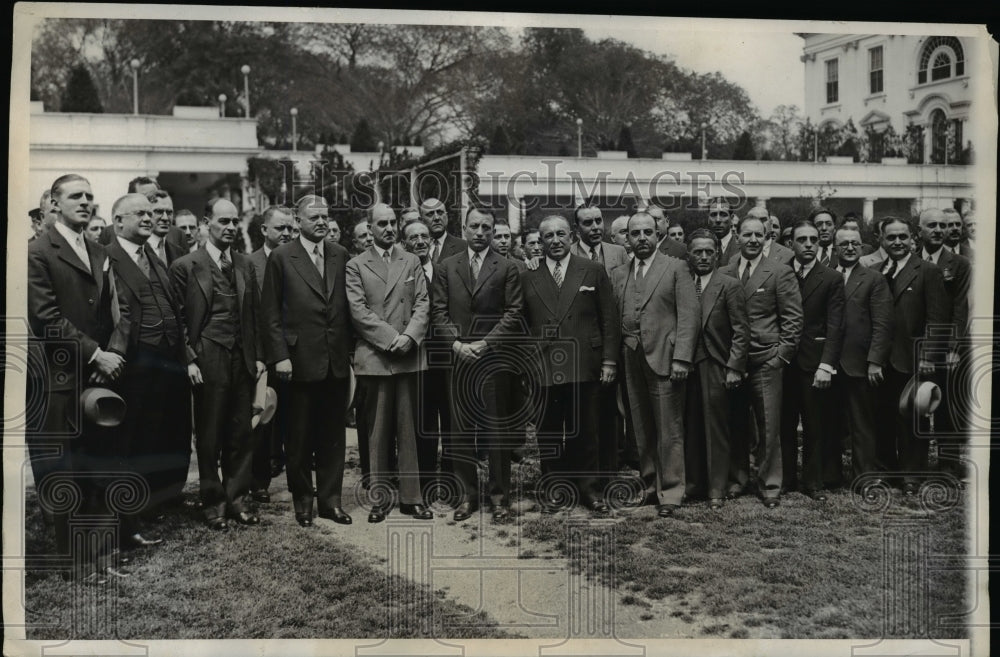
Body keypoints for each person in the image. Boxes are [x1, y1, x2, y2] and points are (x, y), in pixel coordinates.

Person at [28, 174, 130, 583]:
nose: (85, 202)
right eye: (76, 196)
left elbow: (116, 309)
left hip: (99, 377)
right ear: (55, 203)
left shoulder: (99, 249)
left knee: (99, 467)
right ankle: (74, 563)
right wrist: (95, 353)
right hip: (59, 380)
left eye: (90, 195)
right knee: (65, 472)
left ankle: (101, 556)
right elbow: (46, 319)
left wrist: (113, 354)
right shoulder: (38, 252)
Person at [169, 198, 265, 530]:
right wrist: (190, 360)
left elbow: (254, 315)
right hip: (207, 357)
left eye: (234, 221)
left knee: (241, 431)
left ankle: (238, 498)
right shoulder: (185, 266)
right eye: (223, 221)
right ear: (206, 223)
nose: (231, 227)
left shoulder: (244, 264)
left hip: (242, 358)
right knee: (209, 433)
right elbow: (178, 320)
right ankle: (213, 502)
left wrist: (259, 358)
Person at [261, 196, 354, 528]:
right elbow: (270, 313)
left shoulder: (341, 255)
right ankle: (303, 502)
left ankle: (331, 502)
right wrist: (280, 357)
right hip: (297, 362)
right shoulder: (282, 258)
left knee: (332, 436)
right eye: (314, 217)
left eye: (325, 216)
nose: (322, 222)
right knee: (298, 437)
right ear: (297, 221)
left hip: (335, 360)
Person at [106, 193, 193, 536]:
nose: (148, 217)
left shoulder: (155, 258)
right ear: (118, 222)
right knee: (133, 439)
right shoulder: (107, 258)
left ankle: (154, 503)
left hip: (167, 361)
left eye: (151, 212)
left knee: (161, 434)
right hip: (134, 363)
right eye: (139, 213)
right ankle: (129, 517)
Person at [520, 215, 620, 515]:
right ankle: (554, 488)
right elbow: (520, 323)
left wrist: (609, 360)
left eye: (561, 234)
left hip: (585, 363)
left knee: (586, 430)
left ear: (571, 235)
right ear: (541, 241)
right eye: (547, 236)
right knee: (549, 431)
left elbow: (609, 319)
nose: (555, 240)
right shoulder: (528, 275)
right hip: (545, 365)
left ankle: (589, 489)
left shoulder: (592, 270)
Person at [432, 207, 525, 522]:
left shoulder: (507, 266)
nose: (481, 232)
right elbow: (438, 312)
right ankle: (467, 497)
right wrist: (457, 345)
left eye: (487, 226)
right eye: (475, 226)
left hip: (492, 358)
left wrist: (484, 344)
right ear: (464, 227)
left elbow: (513, 313)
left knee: (496, 431)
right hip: (458, 359)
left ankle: (499, 498)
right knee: (460, 431)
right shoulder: (446, 267)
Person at [346, 203, 433, 523]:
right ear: (370, 228)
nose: (388, 228)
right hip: (376, 358)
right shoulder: (356, 265)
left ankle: (412, 498)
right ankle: (380, 499)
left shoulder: (411, 260)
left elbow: (424, 303)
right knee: (378, 432)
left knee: (409, 431)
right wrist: (390, 339)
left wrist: (409, 337)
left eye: (393, 222)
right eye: (381, 223)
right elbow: (357, 311)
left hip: (409, 356)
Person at [610, 212, 698, 517]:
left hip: (665, 357)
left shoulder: (676, 268)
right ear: (628, 238)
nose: (642, 238)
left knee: (668, 428)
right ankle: (649, 485)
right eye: (636, 233)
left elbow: (689, 315)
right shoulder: (620, 273)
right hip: (631, 356)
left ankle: (671, 492)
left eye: (648, 232)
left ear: (658, 234)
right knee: (641, 427)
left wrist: (682, 358)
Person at [719, 214, 802, 507]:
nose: (753, 240)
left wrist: (780, 356)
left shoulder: (779, 271)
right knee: (736, 423)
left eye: (759, 235)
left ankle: (769, 484)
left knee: (768, 425)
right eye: (747, 234)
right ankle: (738, 479)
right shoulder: (725, 271)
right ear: (737, 236)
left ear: (767, 238)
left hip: (765, 359)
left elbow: (793, 319)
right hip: (732, 362)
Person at [872, 217, 947, 495]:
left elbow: (938, 318)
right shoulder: (877, 271)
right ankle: (885, 471)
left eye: (903, 236)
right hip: (881, 360)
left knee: (913, 419)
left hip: (914, 359)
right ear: (881, 241)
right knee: (882, 416)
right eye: (891, 237)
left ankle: (911, 476)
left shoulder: (927, 271)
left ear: (912, 238)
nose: (898, 242)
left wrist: (928, 356)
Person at [779, 220, 846, 500]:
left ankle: (813, 481)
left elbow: (835, 325)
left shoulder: (831, 278)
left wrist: (826, 365)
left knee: (814, 423)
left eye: (813, 240)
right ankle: (785, 479)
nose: (808, 244)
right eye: (802, 239)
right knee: (783, 423)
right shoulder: (780, 274)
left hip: (814, 363)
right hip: (783, 361)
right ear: (790, 243)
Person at [684, 228, 749, 510]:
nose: (703, 256)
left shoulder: (729, 284)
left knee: (716, 429)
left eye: (709, 251)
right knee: (690, 426)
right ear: (688, 254)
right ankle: (693, 484)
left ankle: (717, 488)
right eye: (697, 251)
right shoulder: (683, 281)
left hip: (716, 364)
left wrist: (735, 366)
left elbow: (741, 330)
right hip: (685, 364)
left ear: (717, 254)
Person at [570, 204, 629, 486]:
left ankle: (612, 465)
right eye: (587, 223)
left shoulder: (618, 252)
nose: (595, 227)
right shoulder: (567, 253)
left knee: (614, 408)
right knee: (586, 409)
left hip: (615, 335)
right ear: (576, 228)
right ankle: (583, 469)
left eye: (598, 221)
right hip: (584, 342)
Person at [831, 226, 892, 481]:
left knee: (862, 425)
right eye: (843, 243)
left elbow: (883, 323)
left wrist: (875, 361)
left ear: (862, 247)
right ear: (835, 248)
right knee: (830, 422)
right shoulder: (826, 276)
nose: (849, 247)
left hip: (860, 363)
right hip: (828, 362)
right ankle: (831, 475)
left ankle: (864, 476)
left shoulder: (873, 279)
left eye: (854, 243)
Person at [917, 208, 971, 480]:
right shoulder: (911, 259)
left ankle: (948, 464)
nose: (939, 229)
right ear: (920, 231)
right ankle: (915, 462)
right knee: (917, 404)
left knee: (947, 406)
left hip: (945, 349)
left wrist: (952, 348)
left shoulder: (959, 264)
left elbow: (960, 309)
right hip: (916, 346)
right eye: (932, 225)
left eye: (942, 225)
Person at [247, 206, 296, 499]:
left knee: (296, 420)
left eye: (290, 228)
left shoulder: (298, 260)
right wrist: (258, 356)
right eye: (280, 228)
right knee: (262, 420)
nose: (287, 234)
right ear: (264, 230)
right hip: (264, 358)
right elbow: (250, 315)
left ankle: (297, 480)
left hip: (294, 354)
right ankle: (259, 482)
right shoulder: (249, 264)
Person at [401, 219, 447, 497]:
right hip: (414, 357)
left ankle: (452, 480)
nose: (420, 241)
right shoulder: (402, 270)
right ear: (404, 243)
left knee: (452, 420)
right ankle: (425, 482)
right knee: (422, 422)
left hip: (446, 357)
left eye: (424, 236)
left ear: (431, 240)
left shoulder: (444, 271)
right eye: (413, 237)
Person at [422, 197, 467, 262]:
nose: (436, 218)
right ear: (422, 220)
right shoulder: (417, 247)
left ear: (446, 216)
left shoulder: (463, 247)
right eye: (430, 214)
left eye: (440, 213)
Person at [707, 199, 740, 264]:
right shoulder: (700, 246)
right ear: (708, 219)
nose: (718, 220)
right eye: (713, 215)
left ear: (732, 219)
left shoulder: (741, 247)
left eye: (723, 215)